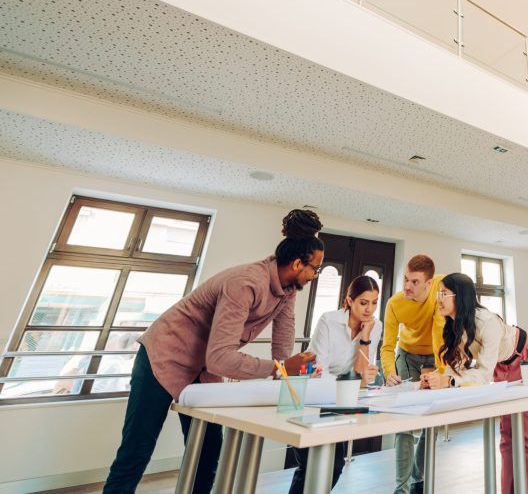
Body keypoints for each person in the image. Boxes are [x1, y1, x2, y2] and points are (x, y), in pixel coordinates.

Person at [103, 209, 325, 494]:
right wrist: (279, 368)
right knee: (136, 449)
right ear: (297, 264)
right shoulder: (245, 282)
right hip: (164, 355)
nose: (315, 275)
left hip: (201, 368)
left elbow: (283, 348)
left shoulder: (288, 290)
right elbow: (220, 358)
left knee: (208, 451)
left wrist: (293, 379)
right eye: (315, 269)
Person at [421, 272, 528, 494]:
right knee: (507, 437)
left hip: (526, 356)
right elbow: (457, 369)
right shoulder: (455, 324)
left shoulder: (486, 321)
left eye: (443, 293)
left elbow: (482, 376)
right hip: (502, 364)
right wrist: (436, 380)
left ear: (459, 296)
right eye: (437, 293)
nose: (438, 299)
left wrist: (448, 380)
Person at [287, 275, 382, 494]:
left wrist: (365, 339)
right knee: (310, 464)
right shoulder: (328, 320)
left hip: (341, 401)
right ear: (349, 301)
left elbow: (361, 373)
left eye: (375, 302)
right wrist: (354, 380)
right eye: (364, 302)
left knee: (335, 467)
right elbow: (320, 371)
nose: (370, 309)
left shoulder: (374, 326)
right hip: (314, 397)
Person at [379, 255, 445, 494]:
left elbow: (440, 334)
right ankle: (401, 488)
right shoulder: (395, 303)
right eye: (405, 279)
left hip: (435, 357)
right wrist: (389, 372)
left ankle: (418, 478)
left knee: (432, 421)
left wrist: (441, 372)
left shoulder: (441, 288)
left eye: (415, 282)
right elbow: (387, 346)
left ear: (429, 283)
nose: (407, 286)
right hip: (406, 356)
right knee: (405, 422)